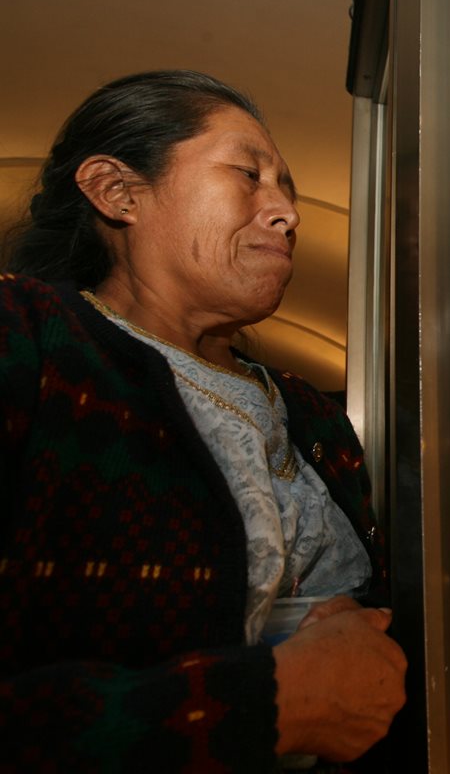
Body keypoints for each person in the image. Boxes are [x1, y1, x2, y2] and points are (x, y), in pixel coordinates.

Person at [0, 70, 407, 770]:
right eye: (248, 175)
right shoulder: (28, 342)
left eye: (287, 189)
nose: (287, 212)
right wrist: (264, 705)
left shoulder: (312, 413)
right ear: (116, 192)